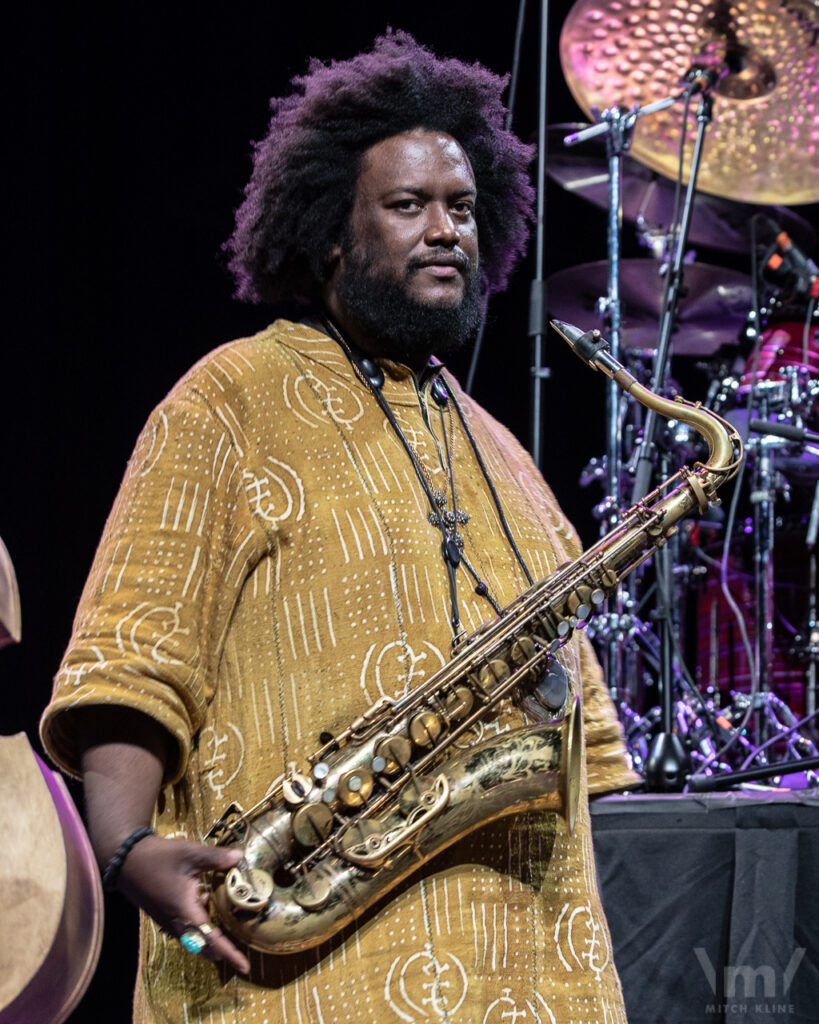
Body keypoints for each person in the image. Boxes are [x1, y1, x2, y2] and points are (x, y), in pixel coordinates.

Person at [41, 31, 638, 1024]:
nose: (445, 229)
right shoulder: (228, 400)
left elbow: (581, 759)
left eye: (461, 206)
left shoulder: (509, 460)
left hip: (526, 982)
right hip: (303, 975)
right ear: (328, 232)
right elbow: (130, 662)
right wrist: (125, 846)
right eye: (407, 205)